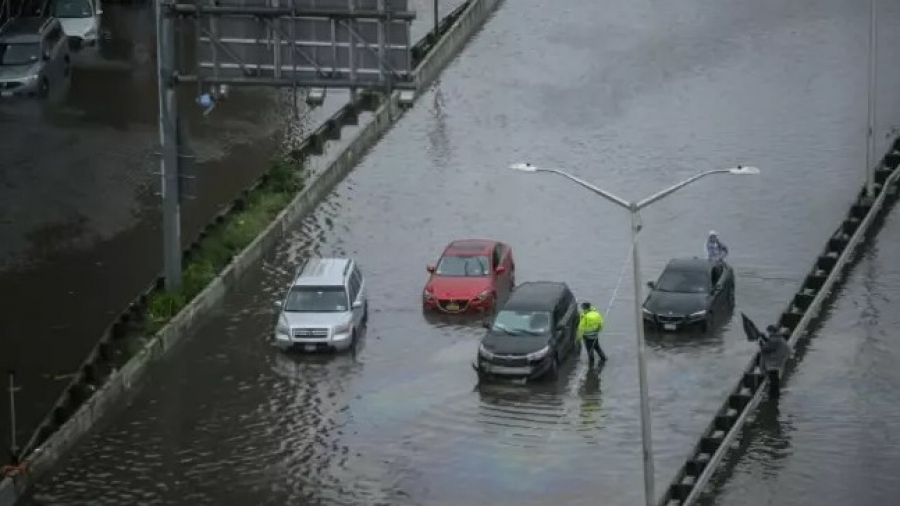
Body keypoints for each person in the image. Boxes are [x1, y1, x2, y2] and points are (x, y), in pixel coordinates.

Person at [759, 325, 791, 399]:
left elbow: (768, 348)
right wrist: (764, 338)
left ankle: (773, 396)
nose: (769, 333)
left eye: (769, 332)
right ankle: (774, 394)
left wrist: (761, 345)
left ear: (772, 331)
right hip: (780, 356)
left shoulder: (775, 339)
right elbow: (771, 342)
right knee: (774, 377)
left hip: (776, 360)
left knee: (773, 378)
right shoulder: (777, 337)